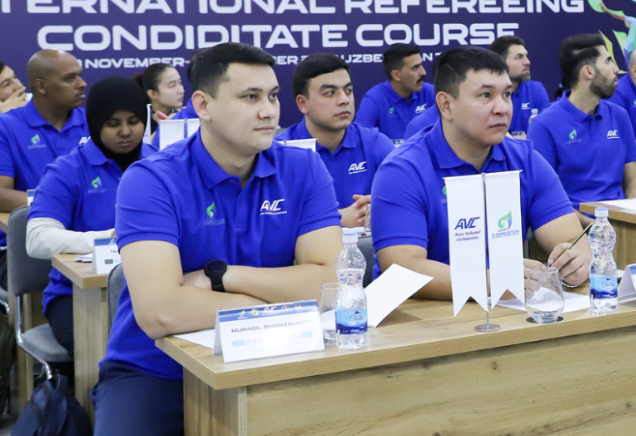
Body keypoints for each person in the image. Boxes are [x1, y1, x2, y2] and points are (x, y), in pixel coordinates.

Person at [93, 43, 342, 436]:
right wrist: (285, 302)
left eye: (273, 96)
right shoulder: (150, 180)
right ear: (203, 105)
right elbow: (161, 312)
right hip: (157, 371)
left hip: (275, 355)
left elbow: (331, 286)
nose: (269, 110)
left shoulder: (304, 168)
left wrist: (221, 277)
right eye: (250, 97)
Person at [370, 46, 591, 295]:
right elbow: (404, 269)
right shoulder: (401, 171)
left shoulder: (526, 159)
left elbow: (572, 240)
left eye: (507, 94)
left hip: (508, 311)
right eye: (486, 95)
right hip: (425, 318)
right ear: (446, 105)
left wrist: (576, 262)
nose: (502, 108)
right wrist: (492, 281)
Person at [27, 77, 155, 358]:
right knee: (109, 349)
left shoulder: (160, 164)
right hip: (75, 296)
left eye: (133, 121)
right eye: (112, 123)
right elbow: (36, 238)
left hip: (150, 288)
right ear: (95, 124)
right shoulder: (67, 170)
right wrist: (104, 240)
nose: (125, 131)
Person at [528, 34, 636, 226]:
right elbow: (544, 200)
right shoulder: (543, 125)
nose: (616, 69)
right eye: (608, 61)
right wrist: (596, 227)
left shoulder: (619, 115)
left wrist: (633, 216)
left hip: (623, 223)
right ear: (588, 72)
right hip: (573, 229)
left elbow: (634, 182)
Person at [0, 50, 89, 286]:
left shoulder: (94, 122)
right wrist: (57, 204)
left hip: (88, 241)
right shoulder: (7, 127)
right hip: (23, 246)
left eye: (79, 76)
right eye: (70, 78)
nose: (82, 84)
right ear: (41, 86)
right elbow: (0, 194)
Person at [277, 53, 395, 228]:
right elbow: (268, 220)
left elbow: (411, 199)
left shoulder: (376, 143)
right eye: (330, 93)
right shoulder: (279, 151)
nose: (344, 100)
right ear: (302, 104)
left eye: (348, 91)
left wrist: (382, 208)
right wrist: (336, 218)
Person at [354, 43, 436, 143]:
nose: (423, 72)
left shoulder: (432, 93)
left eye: (421, 65)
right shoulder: (374, 99)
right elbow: (359, 139)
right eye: (415, 68)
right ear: (397, 75)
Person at [490, 36, 549, 137]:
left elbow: (547, 132)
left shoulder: (536, 90)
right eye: (519, 57)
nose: (527, 62)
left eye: (526, 56)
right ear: (500, 62)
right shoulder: (486, 93)